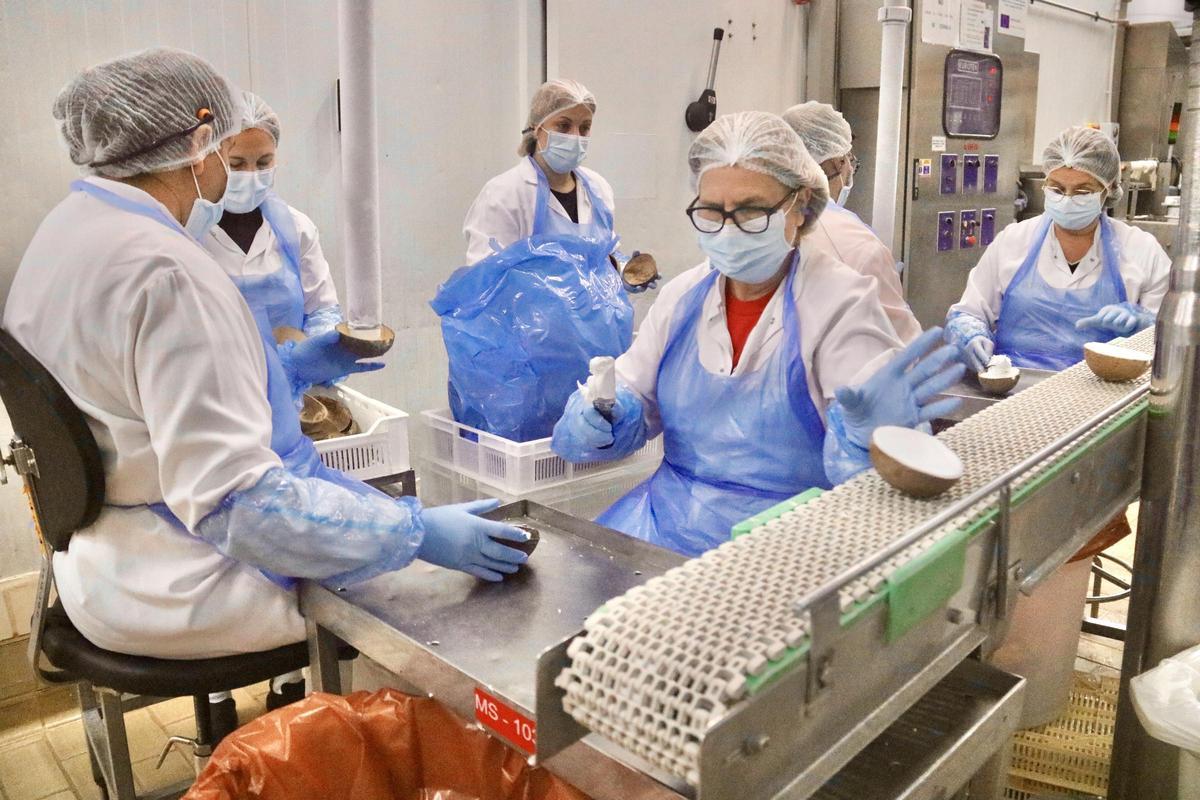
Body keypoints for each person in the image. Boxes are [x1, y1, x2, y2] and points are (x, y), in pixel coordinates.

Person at [4, 47, 528, 732]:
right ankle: (341, 758)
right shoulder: (168, 271)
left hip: (104, 561)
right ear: (200, 145)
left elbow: (131, 401)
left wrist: (287, 370)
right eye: (228, 149)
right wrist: (415, 533)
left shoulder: (68, 234)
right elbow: (243, 509)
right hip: (184, 584)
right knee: (425, 601)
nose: (236, 172)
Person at [550, 111, 963, 557]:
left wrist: (867, 441)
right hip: (663, 531)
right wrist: (605, 415)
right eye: (711, 212)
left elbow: (873, 490)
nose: (728, 229)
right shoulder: (682, 299)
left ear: (800, 207)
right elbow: (628, 396)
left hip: (785, 549)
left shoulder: (840, 304)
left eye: (750, 211)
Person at [945, 125, 1170, 373]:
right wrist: (968, 334)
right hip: (1014, 391)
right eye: (1057, 189)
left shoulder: (1141, 250)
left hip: (1105, 396)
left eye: (1083, 191)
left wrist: (1144, 327)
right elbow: (969, 311)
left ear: (1109, 190)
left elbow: (1167, 341)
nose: (1067, 199)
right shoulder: (1013, 241)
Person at [203, 91, 377, 399]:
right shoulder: (190, 232)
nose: (251, 174)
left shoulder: (296, 228)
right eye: (237, 163)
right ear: (210, 158)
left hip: (297, 397)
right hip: (219, 397)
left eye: (264, 161)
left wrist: (318, 356)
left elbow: (321, 308)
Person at [462, 78, 653, 291]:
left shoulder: (598, 189)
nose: (576, 137)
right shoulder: (504, 194)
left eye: (584, 128)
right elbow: (484, 278)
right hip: (529, 322)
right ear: (537, 127)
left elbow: (603, 258)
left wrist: (623, 271)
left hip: (593, 323)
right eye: (563, 126)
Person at [782, 101, 921, 342]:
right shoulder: (855, 243)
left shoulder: (756, 220)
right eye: (851, 161)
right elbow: (901, 346)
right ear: (839, 161)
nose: (850, 170)